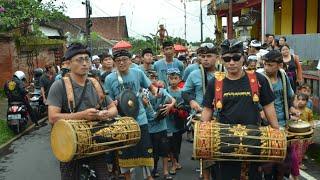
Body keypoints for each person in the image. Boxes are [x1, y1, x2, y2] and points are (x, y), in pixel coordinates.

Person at [201, 39, 279, 180]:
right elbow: (207, 110)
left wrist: (277, 133)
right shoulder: (215, 82)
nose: (231, 62)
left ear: (243, 57)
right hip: (224, 143)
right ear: (221, 60)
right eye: (227, 59)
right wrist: (201, 136)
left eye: (236, 58)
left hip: (253, 141)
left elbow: (268, 107)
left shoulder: (258, 79)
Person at [47, 43, 118, 180]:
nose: (85, 63)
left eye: (87, 59)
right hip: (69, 146)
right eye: (79, 60)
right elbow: (52, 118)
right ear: (68, 63)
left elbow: (113, 108)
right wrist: (82, 115)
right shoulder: (59, 85)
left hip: (96, 143)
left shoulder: (95, 84)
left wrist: (106, 114)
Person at [104, 49, 159, 180]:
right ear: (114, 63)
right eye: (118, 61)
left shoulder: (138, 73)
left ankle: (148, 177)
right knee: (125, 153)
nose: (121, 63)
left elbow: (151, 87)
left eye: (124, 60)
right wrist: (113, 104)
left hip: (140, 117)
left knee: (145, 150)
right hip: (122, 121)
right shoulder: (109, 78)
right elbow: (108, 100)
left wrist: (156, 92)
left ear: (130, 61)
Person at [182, 45, 218, 179]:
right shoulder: (194, 73)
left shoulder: (224, 72)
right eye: (203, 57)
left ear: (217, 57)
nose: (205, 59)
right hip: (201, 116)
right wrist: (192, 102)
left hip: (222, 116)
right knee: (205, 151)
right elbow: (185, 92)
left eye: (209, 56)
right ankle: (206, 175)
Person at [142, 70, 175, 180]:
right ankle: (153, 170)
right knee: (152, 153)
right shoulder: (143, 92)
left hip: (162, 127)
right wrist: (148, 106)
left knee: (165, 151)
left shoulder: (161, 90)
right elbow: (151, 114)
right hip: (150, 128)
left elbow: (171, 99)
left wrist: (169, 104)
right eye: (150, 78)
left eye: (155, 77)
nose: (153, 80)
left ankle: (165, 172)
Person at [166, 68, 186, 176]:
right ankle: (173, 164)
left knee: (177, 144)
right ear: (167, 79)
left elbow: (185, 107)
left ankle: (176, 161)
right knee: (169, 144)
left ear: (180, 79)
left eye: (175, 78)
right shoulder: (166, 91)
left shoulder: (182, 92)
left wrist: (179, 111)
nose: (173, 81)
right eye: (171, 78)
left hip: (178, 122)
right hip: (167, 123)